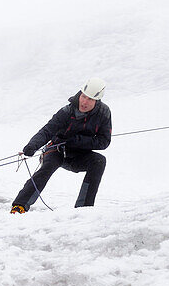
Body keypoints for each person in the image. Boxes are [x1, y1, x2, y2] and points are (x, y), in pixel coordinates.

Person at [10, 77, 112, 213]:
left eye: (90, 99)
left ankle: (83, 210)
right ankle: (20, 205)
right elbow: (47, 131)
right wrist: (32, 146)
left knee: (99, 161)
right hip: (57, 149)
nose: (84, 102)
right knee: (47, 167)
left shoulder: (104, 114)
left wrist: (78, 141)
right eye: (83, 96)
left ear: (97, 100)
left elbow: (104, 141)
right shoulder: (66, 111)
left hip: (80, 155)